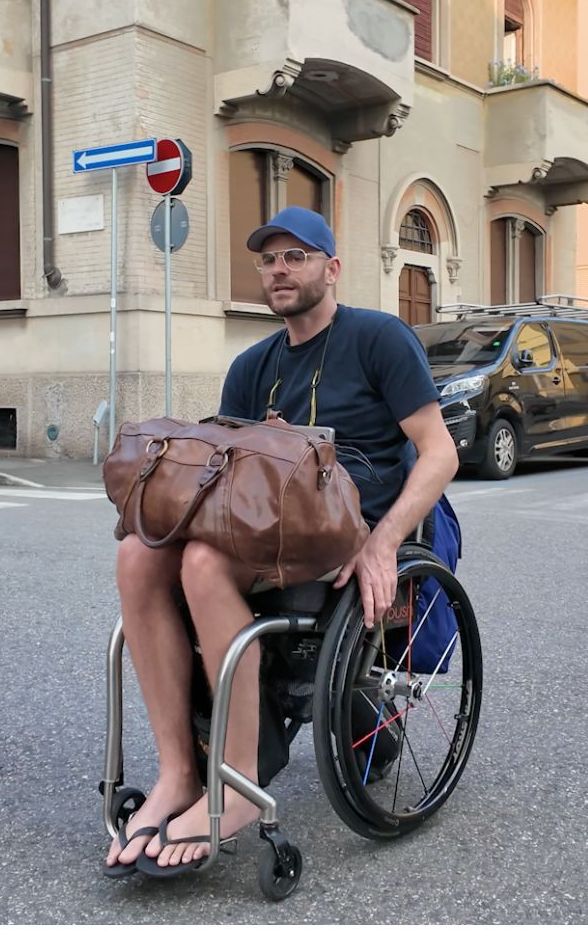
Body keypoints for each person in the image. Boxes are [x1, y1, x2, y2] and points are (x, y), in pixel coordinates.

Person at [104, 205, 459, 878]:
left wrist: (383, 544)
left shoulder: (380, 339)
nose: (279, 269)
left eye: (295, 256)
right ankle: (180, 772)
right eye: (268, 259)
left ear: (331, 268)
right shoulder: (251, 365)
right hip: (264, 526)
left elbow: (438, 453)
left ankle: (236, 783)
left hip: (344, 530)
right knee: (137, 554)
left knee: (206, 564)